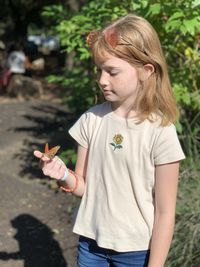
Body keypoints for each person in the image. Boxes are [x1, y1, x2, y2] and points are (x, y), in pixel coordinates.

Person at [34, 14, 185, 267]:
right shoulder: (91, 120)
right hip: (90, 245)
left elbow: (165, 212)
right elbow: (83, 187)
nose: (102, 80)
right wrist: (62, 174)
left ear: (146, 71)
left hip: (137, 253)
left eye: (112, 71)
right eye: (99, 70)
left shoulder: (160, 131)